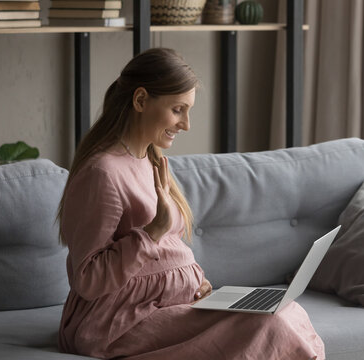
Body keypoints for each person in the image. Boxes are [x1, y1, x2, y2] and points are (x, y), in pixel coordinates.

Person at [57, 47, 325, 360]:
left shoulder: (152, 159)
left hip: (167, 306)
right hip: (117, 321)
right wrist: (152, 232)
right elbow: (87, 279)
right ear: (141, 100)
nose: (186, 124)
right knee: (269, 326)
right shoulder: (102, 172)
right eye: (178, 110)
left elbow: (166, 255)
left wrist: (197, 283)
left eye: (188, 111)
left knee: (286, 310)